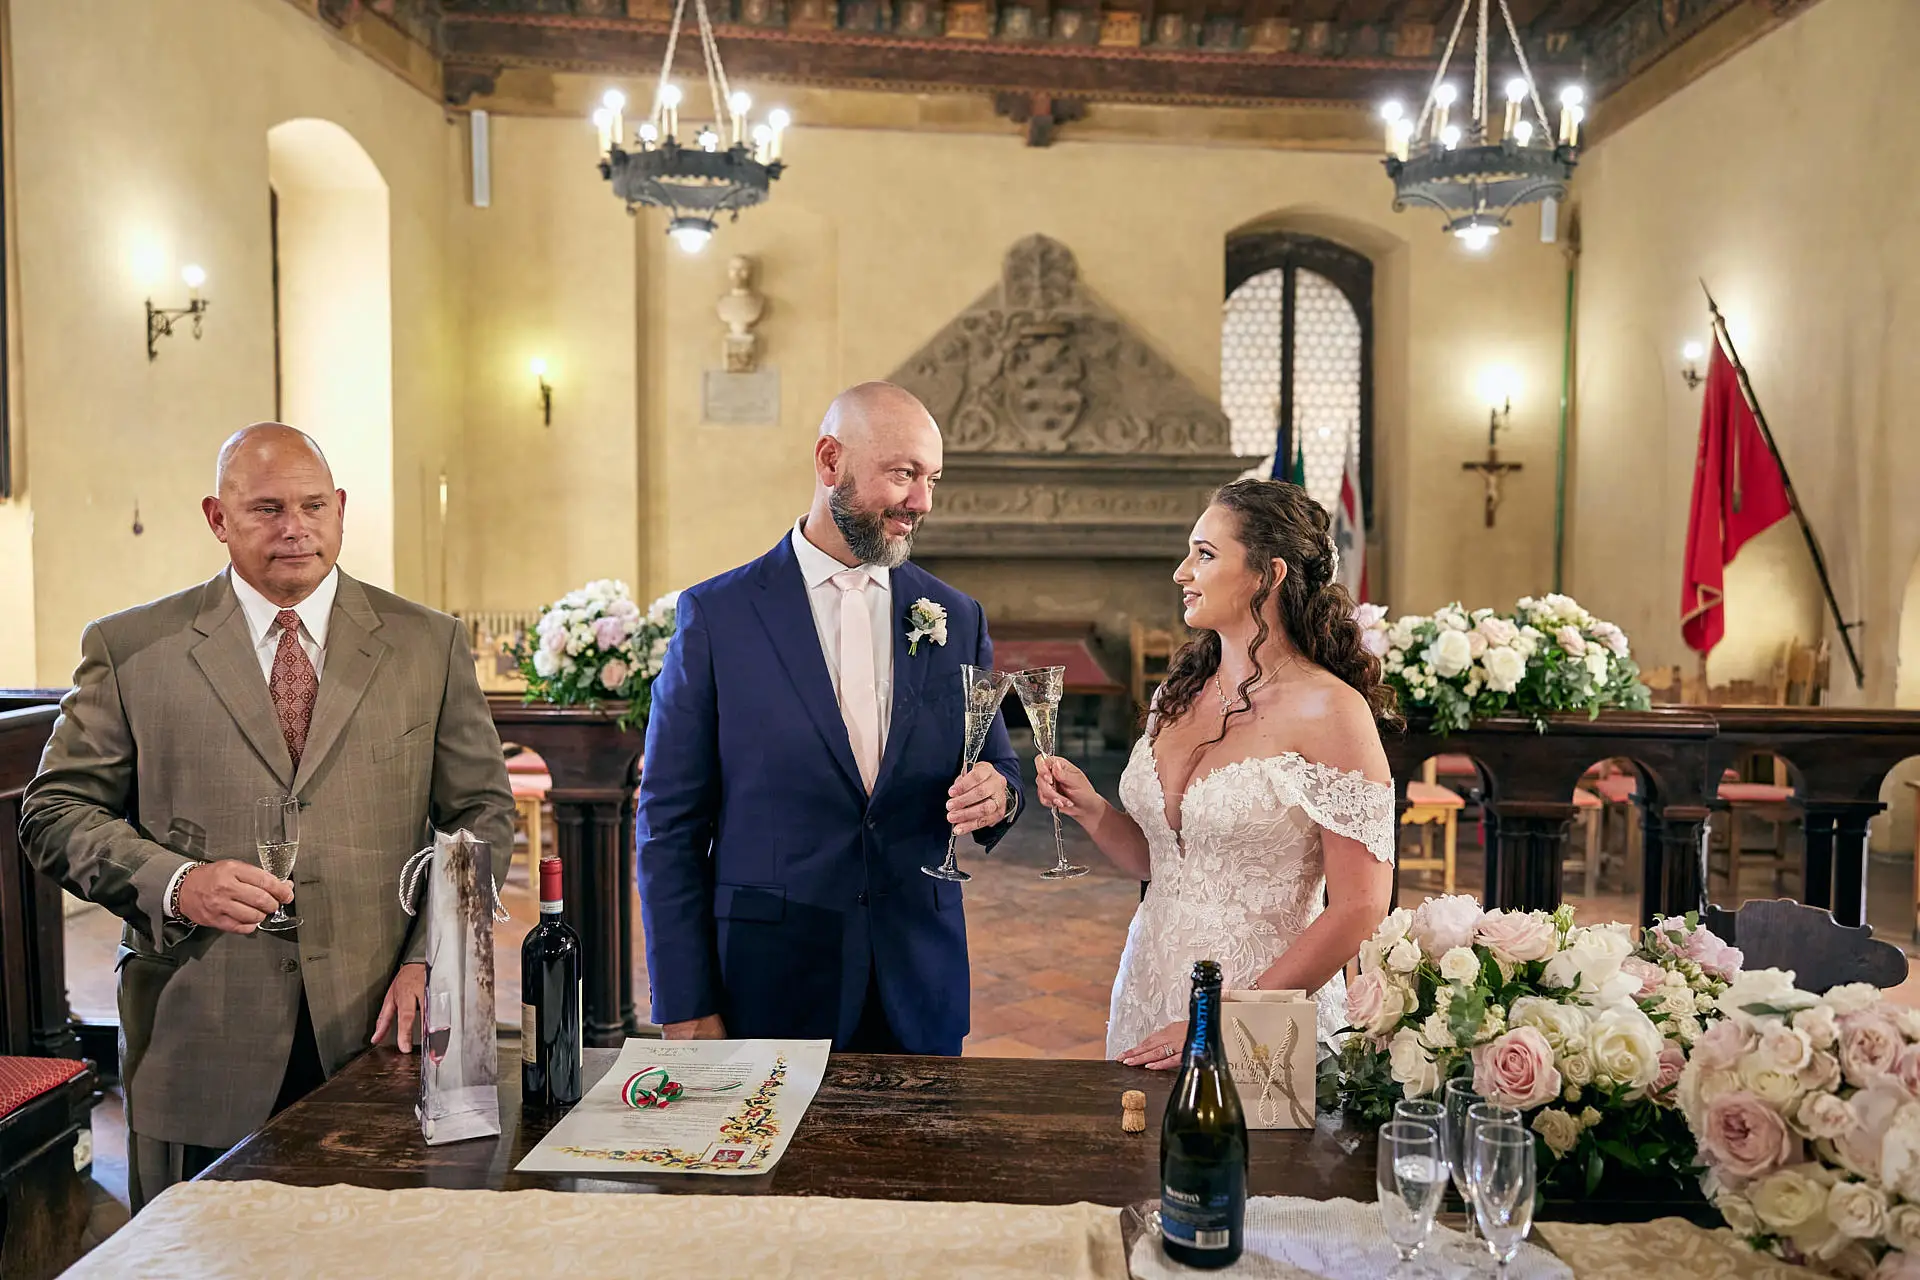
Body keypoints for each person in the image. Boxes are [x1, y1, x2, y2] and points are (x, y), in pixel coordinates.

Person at [20, 423, 514, 1208]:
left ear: (342, 508)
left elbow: (482, 814)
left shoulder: (429, 644)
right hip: (202, 1025)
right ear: (218, 518)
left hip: (382, 1026)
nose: (296, 528)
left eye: (315, 505)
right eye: (267, 509)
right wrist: (177, 883)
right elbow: (53, 810)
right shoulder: (129, 647)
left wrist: (434, 957)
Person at [638, 381, 1023, 1056]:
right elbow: (667, 824)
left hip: (918, 984)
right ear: (828, 463)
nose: (921, 503)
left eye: (932, 479)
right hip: (769, 985)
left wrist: (999, 795)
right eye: (903, 474)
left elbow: (998, 765)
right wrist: (686, 1003)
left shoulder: (956, 617)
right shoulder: (719, 618)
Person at [1036, 478, 1397, 1068]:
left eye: (1205, 554)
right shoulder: (1175, 696)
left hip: (1261, 1011)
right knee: (1142, 1156)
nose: (1182, 572)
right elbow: (1165, 864)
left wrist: (1220, 1022)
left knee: (1254, 1162)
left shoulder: (1332, 712)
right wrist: (1094, 811)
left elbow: (1360, 906)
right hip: (1150, 986)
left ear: (1269, 575)